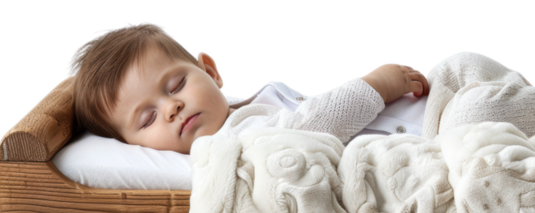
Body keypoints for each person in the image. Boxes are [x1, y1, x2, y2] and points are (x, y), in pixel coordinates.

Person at [68, 20, 429, 155]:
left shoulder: (247, 106)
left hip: (417, 118)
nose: (171, 108)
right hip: (418, 148)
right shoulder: (231, 144)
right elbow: (306, 129)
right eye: (147, 119)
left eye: (176, 85)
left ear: (210, 71)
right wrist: (374, 86)